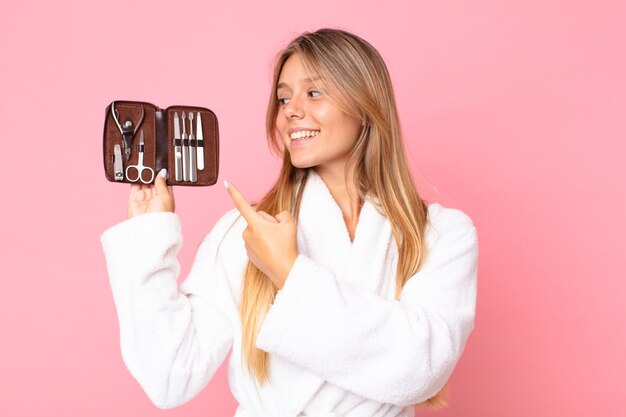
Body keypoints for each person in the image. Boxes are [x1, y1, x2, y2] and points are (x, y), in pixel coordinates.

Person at [100, 28, 478, 417]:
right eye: (283, 98)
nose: (290, 111)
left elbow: (422, 369)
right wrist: (148, 237)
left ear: (365, 105)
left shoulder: (440, 235)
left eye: (314, 93)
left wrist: (289, 272)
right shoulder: (245, 232)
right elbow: (170, 375)